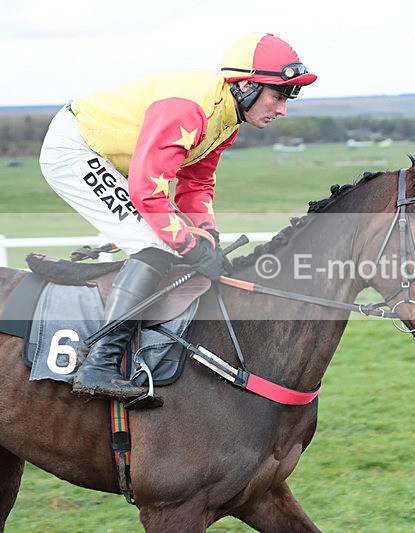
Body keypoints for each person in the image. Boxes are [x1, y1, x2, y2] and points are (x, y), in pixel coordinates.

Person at [38, 33, 317, 403]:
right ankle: (99, 365)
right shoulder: (190, 109)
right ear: (247, 84)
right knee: (156, 244)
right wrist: (187, 244)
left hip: (114, 158)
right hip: (76, 149)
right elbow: (147, 190)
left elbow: (196, 183)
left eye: (288, 98)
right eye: (279, 96)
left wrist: (208, 236)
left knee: (175, 241)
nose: (282, 110)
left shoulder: (228, 119)